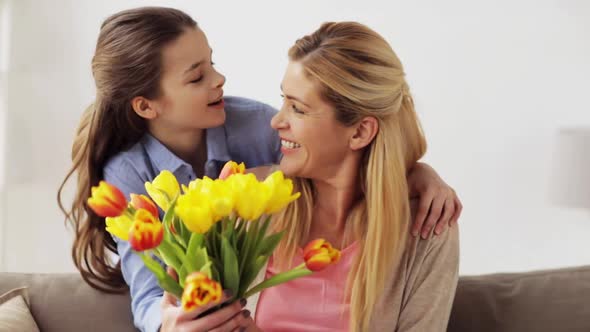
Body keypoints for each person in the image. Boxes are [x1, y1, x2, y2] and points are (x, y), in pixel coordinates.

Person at [57, 7, 461, 332]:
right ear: (146, 106)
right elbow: (149, 293)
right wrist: (168, 323)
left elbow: (352, 159)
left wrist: (417, 173)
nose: (278, 122)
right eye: (197, 76)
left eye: (296, 108)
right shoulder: (249, 196)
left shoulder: (251, 131)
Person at [243, 21, 458, 331]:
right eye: (283, 100)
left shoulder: (427, 228)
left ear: (359, 132)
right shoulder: (251, 202)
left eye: (297, 108)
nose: (277, 121)